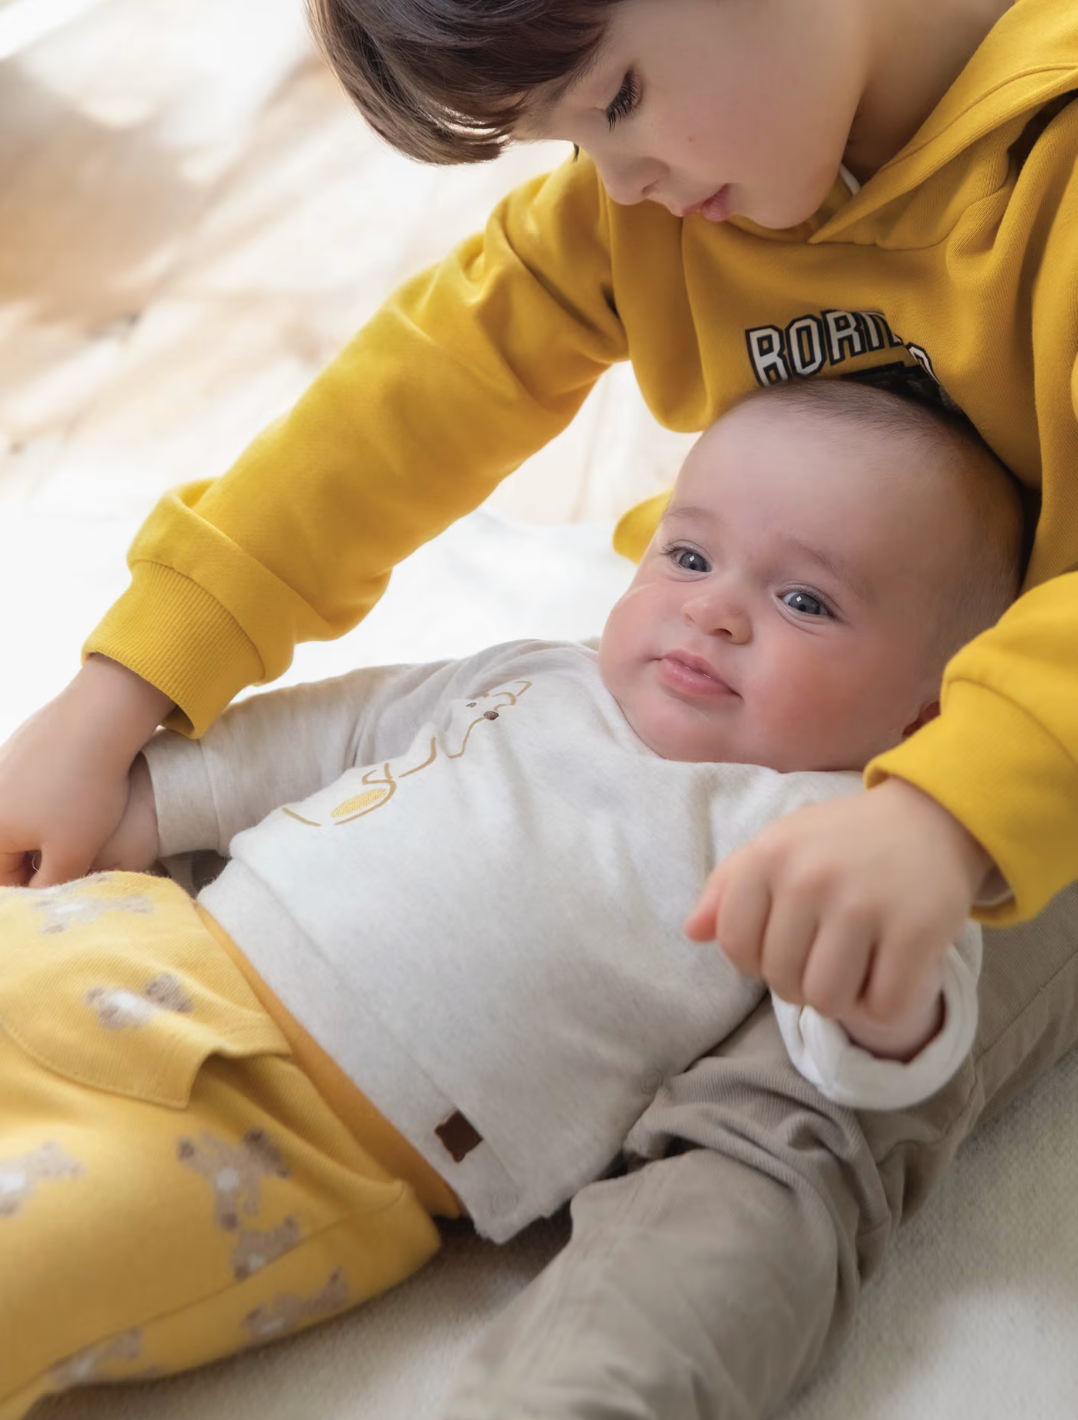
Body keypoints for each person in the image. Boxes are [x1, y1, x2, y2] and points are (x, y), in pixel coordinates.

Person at [2, 0, 1077, 1413]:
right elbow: (405, 402)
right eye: (564, 133)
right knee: (408, 823)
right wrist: (119, 688)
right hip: (764, 695)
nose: (611, 177)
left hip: (1019, 785)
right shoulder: (653, 198)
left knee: (795, 1115)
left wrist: (940, 822)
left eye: (619, 95)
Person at [0, 382, 1020, 1415]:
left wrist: (887, 992)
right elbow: (325, 735)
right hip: (141, 936)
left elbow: (861, 1044)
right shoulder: (546, 674)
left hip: (286, 1149)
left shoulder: (834, 830)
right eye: (688, 555)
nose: (711, 608)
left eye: (804, 600)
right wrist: (139, 806)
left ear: (925, 712)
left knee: (36, 1259)